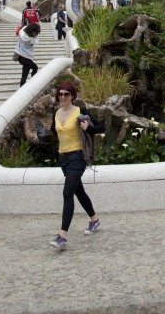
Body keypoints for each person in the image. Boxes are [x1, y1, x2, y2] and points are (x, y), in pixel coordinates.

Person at [49, 82, 105, 250]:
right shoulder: (57, 113)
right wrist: (42, 135)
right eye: (60, 94)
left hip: (77, 157)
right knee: (78, 191)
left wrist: (88, 128)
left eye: (66, 94)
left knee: (67, 193)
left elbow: (101, 127)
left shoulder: (80, 112)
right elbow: (54, 133)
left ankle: (62, 237)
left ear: (73, 96)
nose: (63, 97)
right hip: (63, 158)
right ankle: (94, 220)